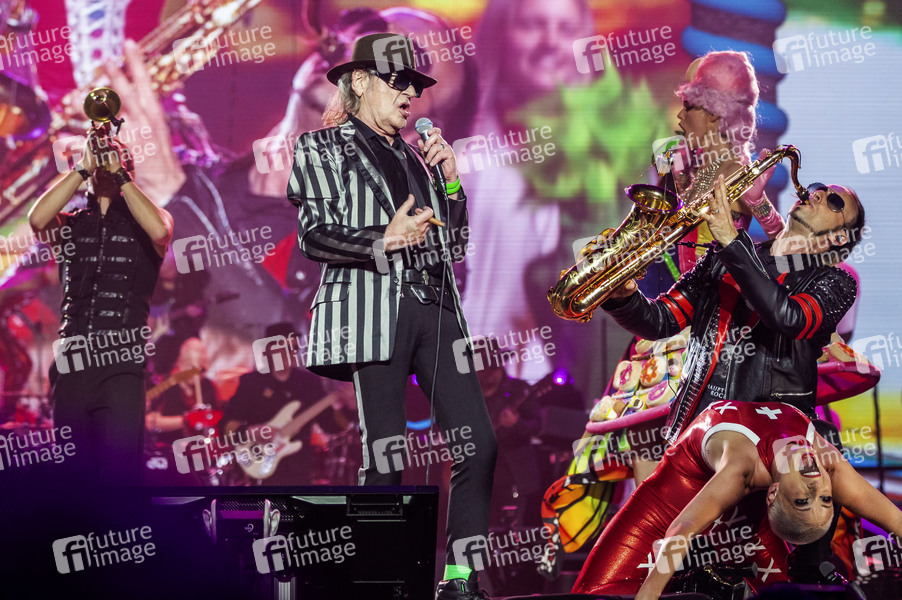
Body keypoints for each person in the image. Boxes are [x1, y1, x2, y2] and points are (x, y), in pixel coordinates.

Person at [287, 33, 497, 600]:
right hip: (372, 306)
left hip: (436, 309)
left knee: (478, 444)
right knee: (386, 453)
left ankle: (460, 580)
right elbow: (314, 235)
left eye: (415, 87)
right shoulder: (321, 147)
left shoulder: (418, 157)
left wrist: (450, 181)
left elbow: (454, 245)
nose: (410, 95)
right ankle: (376, 582)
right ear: (360, 81)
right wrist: (383, 239)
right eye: (398, 82)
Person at [599, 172, 864, 581]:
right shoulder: (725, 254)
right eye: (816, 189)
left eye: (833, 201)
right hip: (693, 442)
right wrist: (623, 298)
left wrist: (731, 243)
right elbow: (661, 320)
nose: (816, 195)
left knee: (763, 584)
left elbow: (788, 316)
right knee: (623, 576)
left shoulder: (835, 280)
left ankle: (808, 569)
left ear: (839, 237)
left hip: (764, 461)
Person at [572, 400, 902, 598]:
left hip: (688, 518)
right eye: (826, 499)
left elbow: (680, 530)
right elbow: (897, 521)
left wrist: (648, 595)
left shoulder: (743, 467)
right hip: (672, 506)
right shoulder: (827, 465)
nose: (816, 486)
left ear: (774, 493)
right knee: (592, 593)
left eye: (803, 500)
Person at [27, 117, 173, 486]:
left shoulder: (151, 222)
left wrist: (120, 176)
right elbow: (37, 219)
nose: (106, 159)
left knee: (120, 475)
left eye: (115, 155)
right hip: (73, 358)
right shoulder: (70, 223)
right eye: (101, 155)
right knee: (74, 477)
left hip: (121, 361)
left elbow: (160, 230)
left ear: (129, 168)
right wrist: (81, 168)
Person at [219, 322, 354, 485]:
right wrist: (252, 432)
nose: (289, 353)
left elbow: (330, 425)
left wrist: (350, 407)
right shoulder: (251, 383)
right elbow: (225, 428)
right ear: (268, 350)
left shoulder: (309, 382)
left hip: (299, 471)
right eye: (282, 347)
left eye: (294, 348)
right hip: (261, 470)